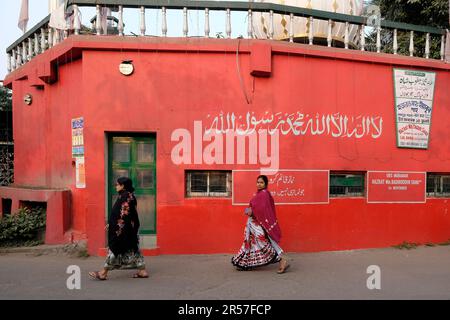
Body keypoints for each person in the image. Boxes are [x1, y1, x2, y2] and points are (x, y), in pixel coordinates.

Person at [89, 177, 149, 280]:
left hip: (123, 229)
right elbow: (119, 214)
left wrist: (114, 225)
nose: (116, 186)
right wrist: (111, 223)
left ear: (123, 186)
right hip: (129, 228)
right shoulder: (128, 196)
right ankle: (142, 271)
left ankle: (103, 273)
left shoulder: (125, 197)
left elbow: (122, 216)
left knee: (114, 249)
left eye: (117, 184)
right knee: (133, 248)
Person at [231, 175, 290, 274]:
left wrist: (251, 211)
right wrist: (248, 210)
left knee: (263, 243)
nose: (259, 184)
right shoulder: (258, 194)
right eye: (258, 182)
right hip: (252, 223)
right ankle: (245, 263)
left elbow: (262, 209)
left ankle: (281, 260)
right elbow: (252, 207)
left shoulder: (264, 194)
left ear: (265, 184)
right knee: (250, 242)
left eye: (261, 182)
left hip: (258, 224)